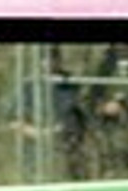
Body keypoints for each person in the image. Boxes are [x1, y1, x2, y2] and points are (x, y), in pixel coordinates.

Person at [7, 46, 88, 182]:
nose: (48, 63)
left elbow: (82, 113)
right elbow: (13, 120)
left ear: (59, 59)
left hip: (68, 152)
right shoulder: (29, 84)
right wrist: (38, 133)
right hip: (35, 155)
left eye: (53, 58)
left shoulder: (72, 83)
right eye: (44, 59)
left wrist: (62, 130)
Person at [88, 42, 128, 179]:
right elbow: (87, 97)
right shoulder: (103, 62)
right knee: (114, 174)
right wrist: (103, 107)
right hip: (110, 132)